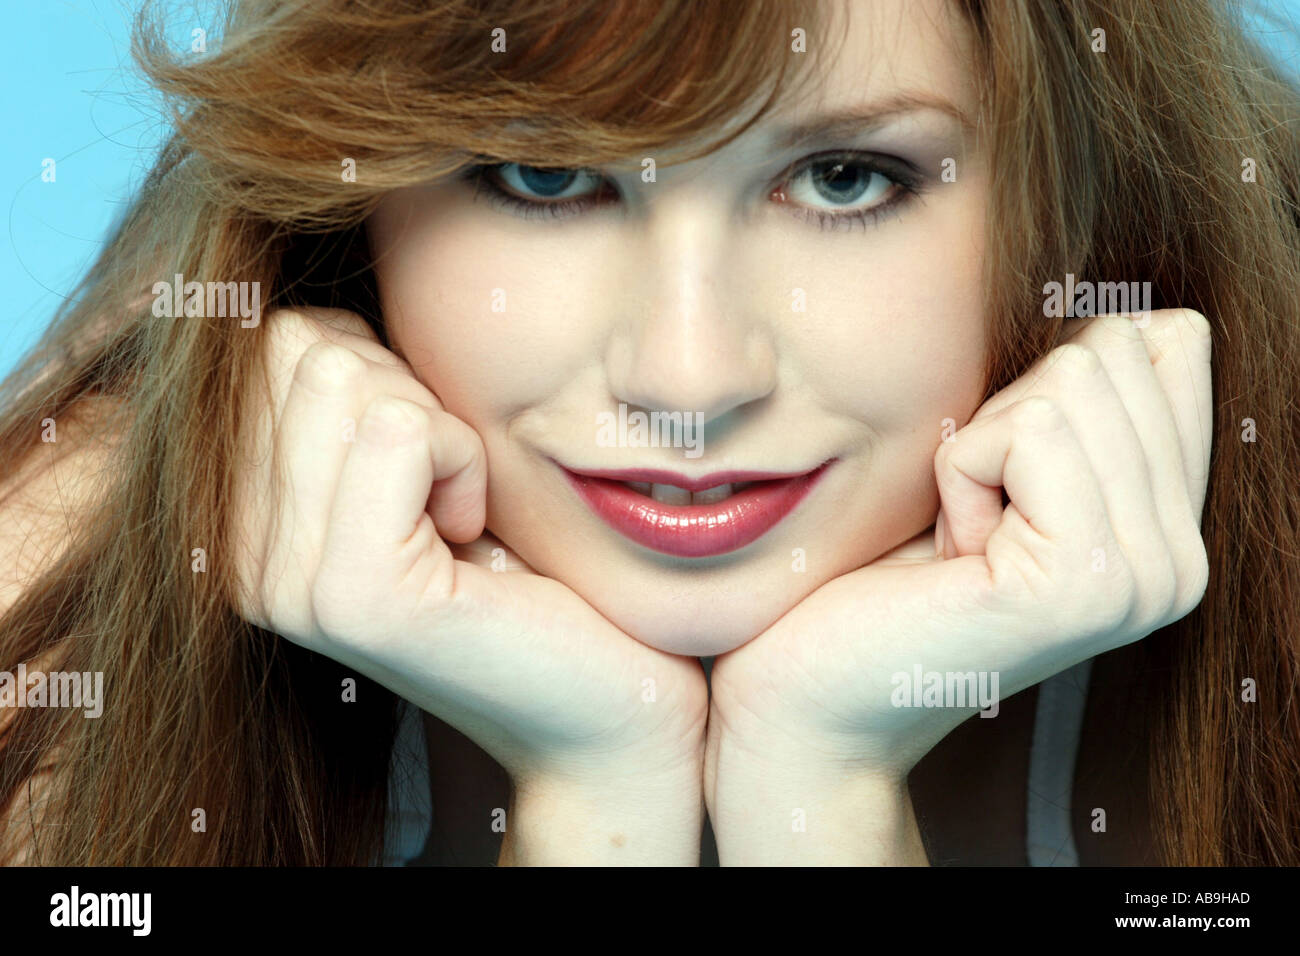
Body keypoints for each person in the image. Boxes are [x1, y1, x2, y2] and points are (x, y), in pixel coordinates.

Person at [0, 0, 1296, 866]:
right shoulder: (67, 599)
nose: (689, 376)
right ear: (352, 217)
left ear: (1087, 201)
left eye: (846, 179)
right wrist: (591, 786)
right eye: (546, 177)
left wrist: (819, 789)